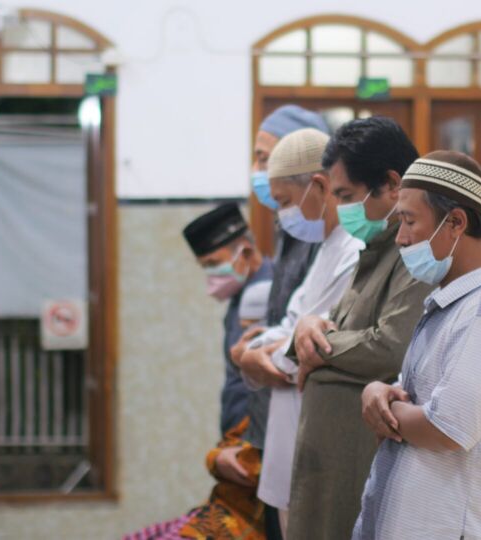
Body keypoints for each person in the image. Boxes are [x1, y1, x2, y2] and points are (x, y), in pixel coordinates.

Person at [354, 150, 481, 540]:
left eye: (409, 221)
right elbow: (412, 398)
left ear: (455, 222)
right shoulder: (448, 306)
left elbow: (445, 429)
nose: (400, 237)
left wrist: (380, 407)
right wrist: (379, 391)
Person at [285, 117, 432, 540]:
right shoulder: (376, 249)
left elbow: (388, 348)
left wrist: (309, 343)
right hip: (330, 461)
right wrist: (309, 328)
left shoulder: (414, 254)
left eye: (348, 196)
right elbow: (341, 329)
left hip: (358, 459)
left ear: (391, 184)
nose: (343, 209)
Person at [237, 128, 363, 536]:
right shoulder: (327, 247)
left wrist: (257, 357)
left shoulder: (354, 250)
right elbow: (289, 327)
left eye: (286, 202)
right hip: (293, 438)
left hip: (327, 441)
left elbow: (316, 347)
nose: (282, 215)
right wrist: (255, 353)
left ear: (319, 186)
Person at [125, 204, 272, 540]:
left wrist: (225, 456)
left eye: (213, 264)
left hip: (255, 455)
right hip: (238, 453)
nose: (211, 275)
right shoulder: (241, 297)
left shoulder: (266, 295)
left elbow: (267, 388)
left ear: (245, 250)